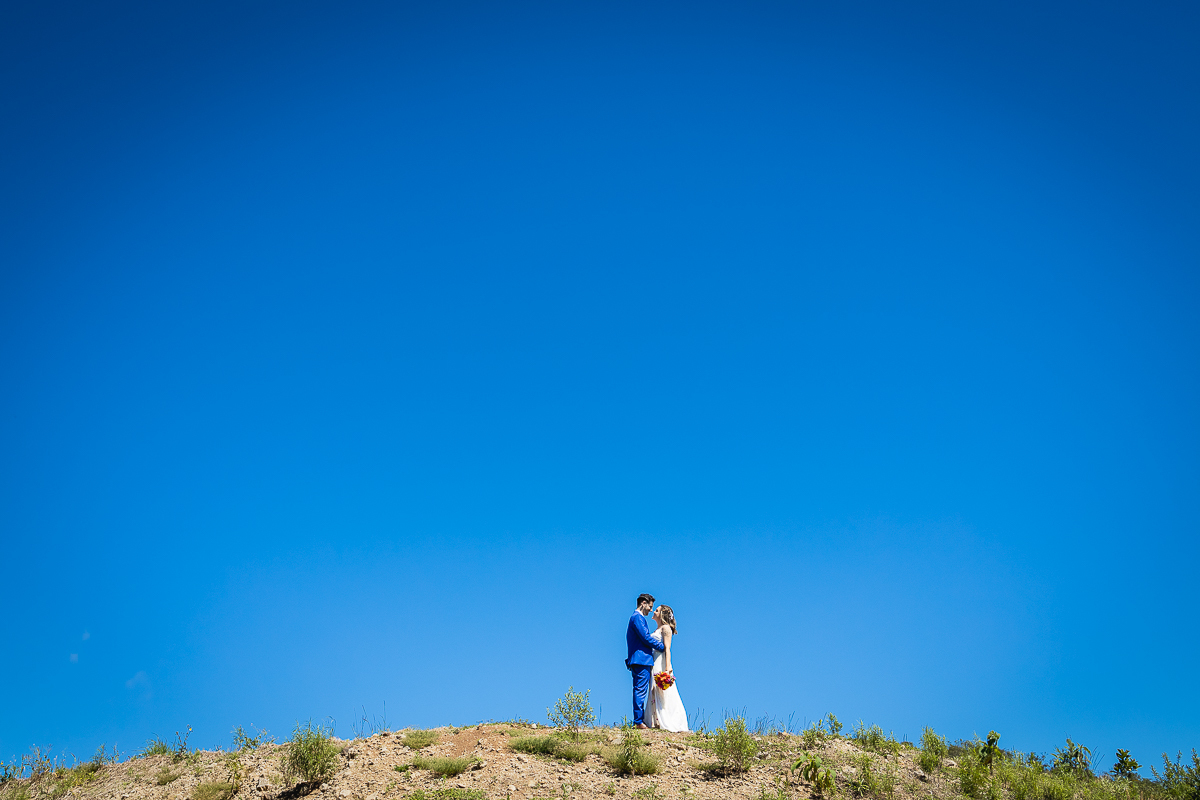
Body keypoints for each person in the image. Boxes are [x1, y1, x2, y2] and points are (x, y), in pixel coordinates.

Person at [644, 604, 689, 732]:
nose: (653, 611)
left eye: (656, 610)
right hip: (654, 660)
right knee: (653, 687)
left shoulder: (666, 628)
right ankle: (654, 720)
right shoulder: (657, 629)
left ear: (662, 614)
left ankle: (668, 719)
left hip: (661, 660)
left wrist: (668, 666)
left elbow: (667, 649)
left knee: (662, 689)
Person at [625, 593, 664, 729]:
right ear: (643, 603)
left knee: (640, 689)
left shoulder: (637, 618)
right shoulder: (637, 618)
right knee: (640, 690)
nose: (651, 610)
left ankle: (640, 720)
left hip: (640, 660)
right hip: (641, 660)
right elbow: (645, 637)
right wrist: (661, 647)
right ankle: (638, 721)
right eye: (650, 606)